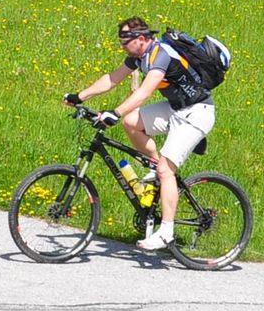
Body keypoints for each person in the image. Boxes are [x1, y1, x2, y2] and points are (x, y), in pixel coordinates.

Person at [67, 16, 217, 253]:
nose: (122, 47)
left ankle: (166, 232)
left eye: (125, 42)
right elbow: (112, 79)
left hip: (197, 113)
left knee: (166, 170)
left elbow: (146, 91)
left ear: (140, 38)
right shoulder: (139, 57)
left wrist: (114, 112)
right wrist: (79, 96)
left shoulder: (161, 54)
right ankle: (155, 167)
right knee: (131, 123)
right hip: (176, 109)